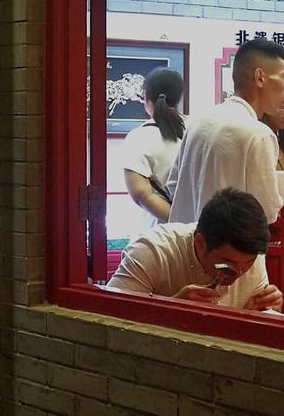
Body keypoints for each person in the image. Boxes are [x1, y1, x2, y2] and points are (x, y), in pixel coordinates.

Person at [107, 187, 282, 311]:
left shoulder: (251, 253)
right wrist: (170, 308)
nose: (239, 272)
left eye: (249, 262)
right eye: (228, 262)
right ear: (200, 243)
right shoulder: (153, 251)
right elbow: (107, 316)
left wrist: (258, 311)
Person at [168, 40, 284, 225]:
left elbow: (173, 185)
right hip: (230, 243)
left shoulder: (198, 121)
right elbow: (267, 211)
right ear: (260, 77)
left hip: (187, 239)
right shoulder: (259, 134)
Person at [122, 67, 185, 226]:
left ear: (146, 96)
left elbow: (142, 194)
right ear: (179, 97)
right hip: (199, 231)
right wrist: (192, 223)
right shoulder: (197, 128)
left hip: (159, 233)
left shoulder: (138, 137)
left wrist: (178, 221)